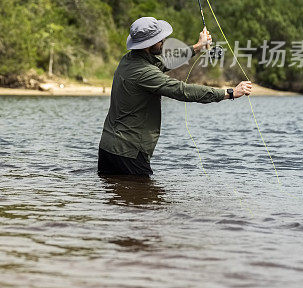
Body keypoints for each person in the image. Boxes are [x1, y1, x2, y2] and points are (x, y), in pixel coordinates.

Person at [98, 16, 253, 176]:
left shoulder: (128, 60)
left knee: (119, 197)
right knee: (144, 198)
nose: (163, 40)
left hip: (107, 148)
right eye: (159, 39)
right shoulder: (145, 73)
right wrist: (229, 93)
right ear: (148, 45)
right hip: (128, 152)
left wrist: (197, 47)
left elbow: (166, 61)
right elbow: (182, 90)